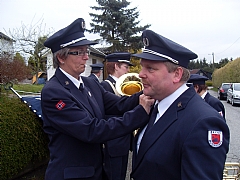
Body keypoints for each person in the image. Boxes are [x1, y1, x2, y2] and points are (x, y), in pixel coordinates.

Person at [41, 18, 154, 180]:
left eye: (86, 51)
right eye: (79, 52)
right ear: (61, 58)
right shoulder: (54, 92)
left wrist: (148, 92)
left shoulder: (89, 84)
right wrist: (141, 113)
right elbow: (92, 130)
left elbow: (120, 105)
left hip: (96, 172)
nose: (86, 57)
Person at [130, 29, 230, 180]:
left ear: (177, 74)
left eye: (150, 68)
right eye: (143, 67)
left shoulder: (204, 122)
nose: (141, 74)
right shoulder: (156, 106)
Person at [100, 52, 133, 180]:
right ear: (116, 66)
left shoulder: (124, 85)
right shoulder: (105, 86)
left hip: (123, 140)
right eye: (126, 67)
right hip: (113, 142)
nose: (128, 70)